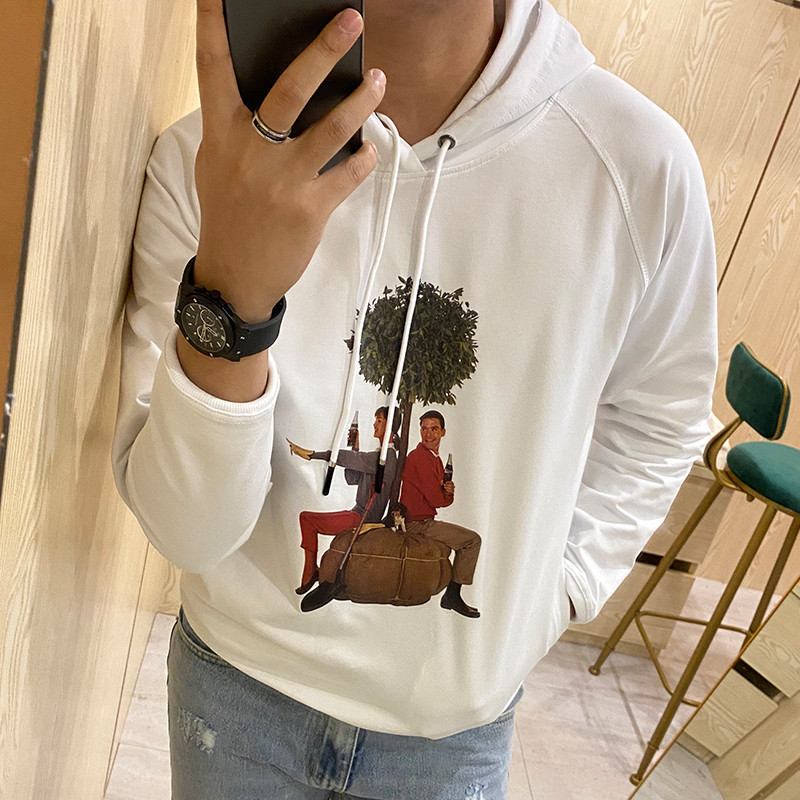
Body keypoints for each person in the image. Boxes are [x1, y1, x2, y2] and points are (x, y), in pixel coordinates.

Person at [112, 0, 718, 797]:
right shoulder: (211, 163)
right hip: (234, 690)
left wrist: (561, 586)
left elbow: (661, 416)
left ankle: (451, 592)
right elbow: (188, 533)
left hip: (450, 731)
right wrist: (231, 298)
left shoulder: (636, 168)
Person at [289, 406, 400, 594]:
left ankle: (310, 571)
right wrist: (355, 447)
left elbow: (344, 458)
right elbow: (352, 478)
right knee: (306, 518)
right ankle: (312, 570)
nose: (374, 424)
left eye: (379, 421)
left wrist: (314, 455)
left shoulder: (386, 457)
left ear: (389, 426)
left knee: (307, 519)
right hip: (356, 512)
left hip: (363, 518)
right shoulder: (378, 455)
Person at [400, 411, 482, 618]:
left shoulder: (434, 459)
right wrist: (446, 494)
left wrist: (447, 493)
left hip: (425, 520)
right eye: (424, 429)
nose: (428, 434)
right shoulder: (419, 458)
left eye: (434, 429)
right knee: (472, 541)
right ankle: (452, 595)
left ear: (443, 432)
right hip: (417, 523)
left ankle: (452, 595)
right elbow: (438, 500)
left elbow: (441, 499)